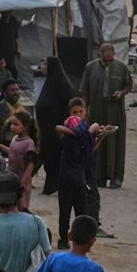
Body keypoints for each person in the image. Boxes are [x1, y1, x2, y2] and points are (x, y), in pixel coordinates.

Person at [53, 98, 109, 248]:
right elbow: (59, 128)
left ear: (86, 112)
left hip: (74, 182)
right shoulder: (79, 137)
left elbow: (89, 151)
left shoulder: (79, 137)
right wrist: (87, 133)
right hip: (71, 182)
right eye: (74, 113)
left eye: (80, 111)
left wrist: (97, 136)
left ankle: (70, 239)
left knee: (73, 213)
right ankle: (71, 240)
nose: (78, 115)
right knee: (72, 214)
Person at [79, 43, 133, 189]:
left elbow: (128, 85)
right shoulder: (90, 68)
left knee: (116, 142)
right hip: (96, 111)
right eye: (105, 60)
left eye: (110, 60)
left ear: (114, 55)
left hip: (115, 112)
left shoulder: (121, 68)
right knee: (97, 142)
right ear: (99, 56)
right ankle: (99, 176)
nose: (108, 63)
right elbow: (84, 91)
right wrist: (85, 111)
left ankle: (116, 177)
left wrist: (121, 93)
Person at [34, 56, 76, 204]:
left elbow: (69, 109)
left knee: (53, 157)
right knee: (48, 158)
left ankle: (56, 185)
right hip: (46, 129)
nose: (43, 67)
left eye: (45, 64)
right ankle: (50, 184)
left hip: (57, 130)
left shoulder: (63, 85)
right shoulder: (49, 83)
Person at [4, 110, 38, 210]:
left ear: (26, 126)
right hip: (11, 180)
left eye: (16, 124)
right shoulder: (15, 139)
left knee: (21, 208)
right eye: (11, 124)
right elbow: (12, 152)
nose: (12, 127)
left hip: (22, 183)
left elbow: (30, 165)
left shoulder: (29, 143)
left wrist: (23, 183)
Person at [0, 79, 25, 146]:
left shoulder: (18, 105)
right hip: (5, 144)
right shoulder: (1, 106)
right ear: (5, 93)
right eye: (12, 90)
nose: (15, 92)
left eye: (17, 90)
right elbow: (11, 125)